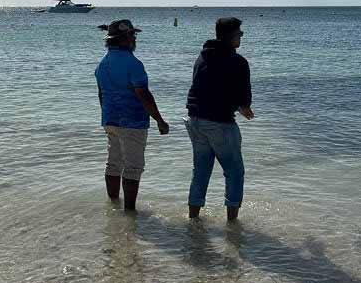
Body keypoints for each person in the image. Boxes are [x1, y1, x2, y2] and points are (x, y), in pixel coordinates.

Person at [95, 19, 170, 211]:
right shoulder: (134, 64)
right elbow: (143, 94)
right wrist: (159, 120)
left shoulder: (102, 64)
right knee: (133, 167)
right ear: (126, 38)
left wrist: (106, 115)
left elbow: (101, 94)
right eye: (133, 35)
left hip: (110, 119)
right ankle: (129, 212)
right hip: (132, 121)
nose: (135, 39)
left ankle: (113, 205)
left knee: (113, 163)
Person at [184, 17, 254, 221]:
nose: (241, 37)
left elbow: (202, 88)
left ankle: (193, 219)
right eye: (240, 33)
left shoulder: (202, 57)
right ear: (231, 36)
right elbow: (244, 100)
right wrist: (243, 109)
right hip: (220, 122)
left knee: (201, 172)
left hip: (195, 120)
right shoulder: (237, 61)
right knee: (234, 173)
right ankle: (232, 222)